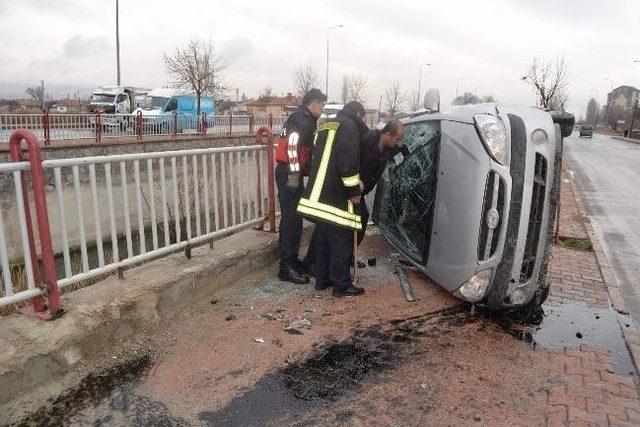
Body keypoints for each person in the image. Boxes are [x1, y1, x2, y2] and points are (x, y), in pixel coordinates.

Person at [302, 119, 406, 271]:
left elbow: (395, 157)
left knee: (361, 219)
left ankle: (347, 255)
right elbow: (349, 162)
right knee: (329, 224)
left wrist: (404, 154)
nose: (398, 143)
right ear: (387, 135)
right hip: (348, 189)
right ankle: (311, 262)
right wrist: (353, 188)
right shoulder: (366, 141)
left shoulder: (389, 149)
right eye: (397, 139)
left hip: (360, 192)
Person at [297, 101, 367, 297]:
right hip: (335, 195)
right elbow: (348, 162)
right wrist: (354, 190)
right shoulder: (350, 126)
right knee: (341, 239)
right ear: (358, 114)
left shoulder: (326, 124)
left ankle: (322, 280)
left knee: (323, 238)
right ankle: (341, 285)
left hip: (318, 194)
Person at [275, 89, 327, 284]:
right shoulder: (302, 119)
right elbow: (292, 147)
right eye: (321, 106)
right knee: (290, 220)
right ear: (314, 103)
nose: (322, 110)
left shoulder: (301, 118)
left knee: (294, 220)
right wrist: (295, 178)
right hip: (289, 175)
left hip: (290, 174)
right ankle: (286, 268)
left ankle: (291, 261)